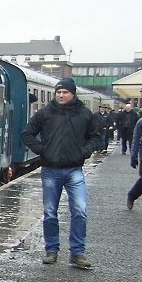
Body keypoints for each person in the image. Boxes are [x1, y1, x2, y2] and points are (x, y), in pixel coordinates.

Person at [21, 78, 104, 268]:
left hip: (74, 169)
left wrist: (84, 152)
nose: (61, 95)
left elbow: (95, 136)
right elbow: (27, 133)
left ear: (73, 94)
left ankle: (78, 253)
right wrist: (43, 150)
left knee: (80, 211)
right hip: (50, 169)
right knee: (50, 212)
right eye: (58, 92)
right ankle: (51, 250)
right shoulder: (45, 113)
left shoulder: (84, 114)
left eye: (65, 92)